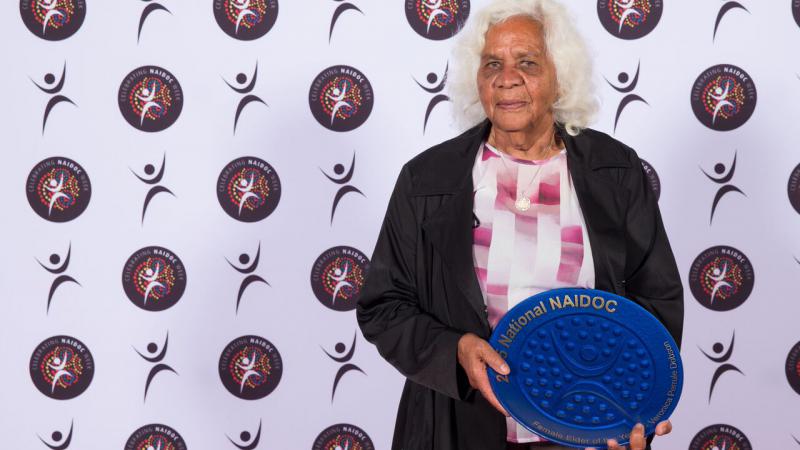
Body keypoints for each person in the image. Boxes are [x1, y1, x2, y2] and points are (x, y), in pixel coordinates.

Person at [356, 1, 683, 449]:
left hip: (585, 430)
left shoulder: (616, 171)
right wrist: (456, 350)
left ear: (560, 76)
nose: (506, 78)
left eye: (527, 63)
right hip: (456, 429)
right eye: (492, 63)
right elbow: (384, 306)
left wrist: (638, 400)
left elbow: (656, 300)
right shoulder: (427, 180)